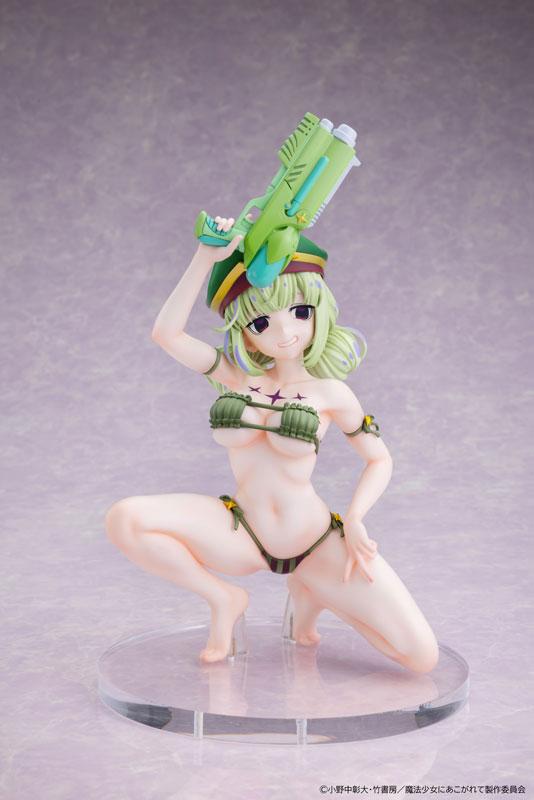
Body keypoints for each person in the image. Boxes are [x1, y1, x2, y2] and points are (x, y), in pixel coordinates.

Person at [105, 215, 439, 672]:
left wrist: (357, 518)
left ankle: (313, 590)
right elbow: (166, 335)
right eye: (262, 321)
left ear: (319, 310)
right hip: (241, 531)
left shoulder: (332, 393)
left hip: (315, 540)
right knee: (125, 519)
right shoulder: (235, 377)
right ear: (244, 330)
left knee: (420, 657)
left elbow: (378, 459)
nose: (284, 333)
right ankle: (223, 598)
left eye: (299, 313)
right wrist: (205, 256)